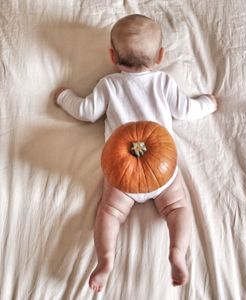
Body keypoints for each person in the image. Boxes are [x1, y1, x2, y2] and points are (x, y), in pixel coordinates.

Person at [54, 14, 217, 293]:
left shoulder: (109, 85)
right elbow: (186, 111)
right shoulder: (163, 83)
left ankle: (106, 260)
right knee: (177, 207)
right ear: (161, 56)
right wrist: (209, 103)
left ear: (112, 56)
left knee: (109, 212)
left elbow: (85, 112)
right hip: (162, 170)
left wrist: (63, 96)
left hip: (121, 173)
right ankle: (177, 251)